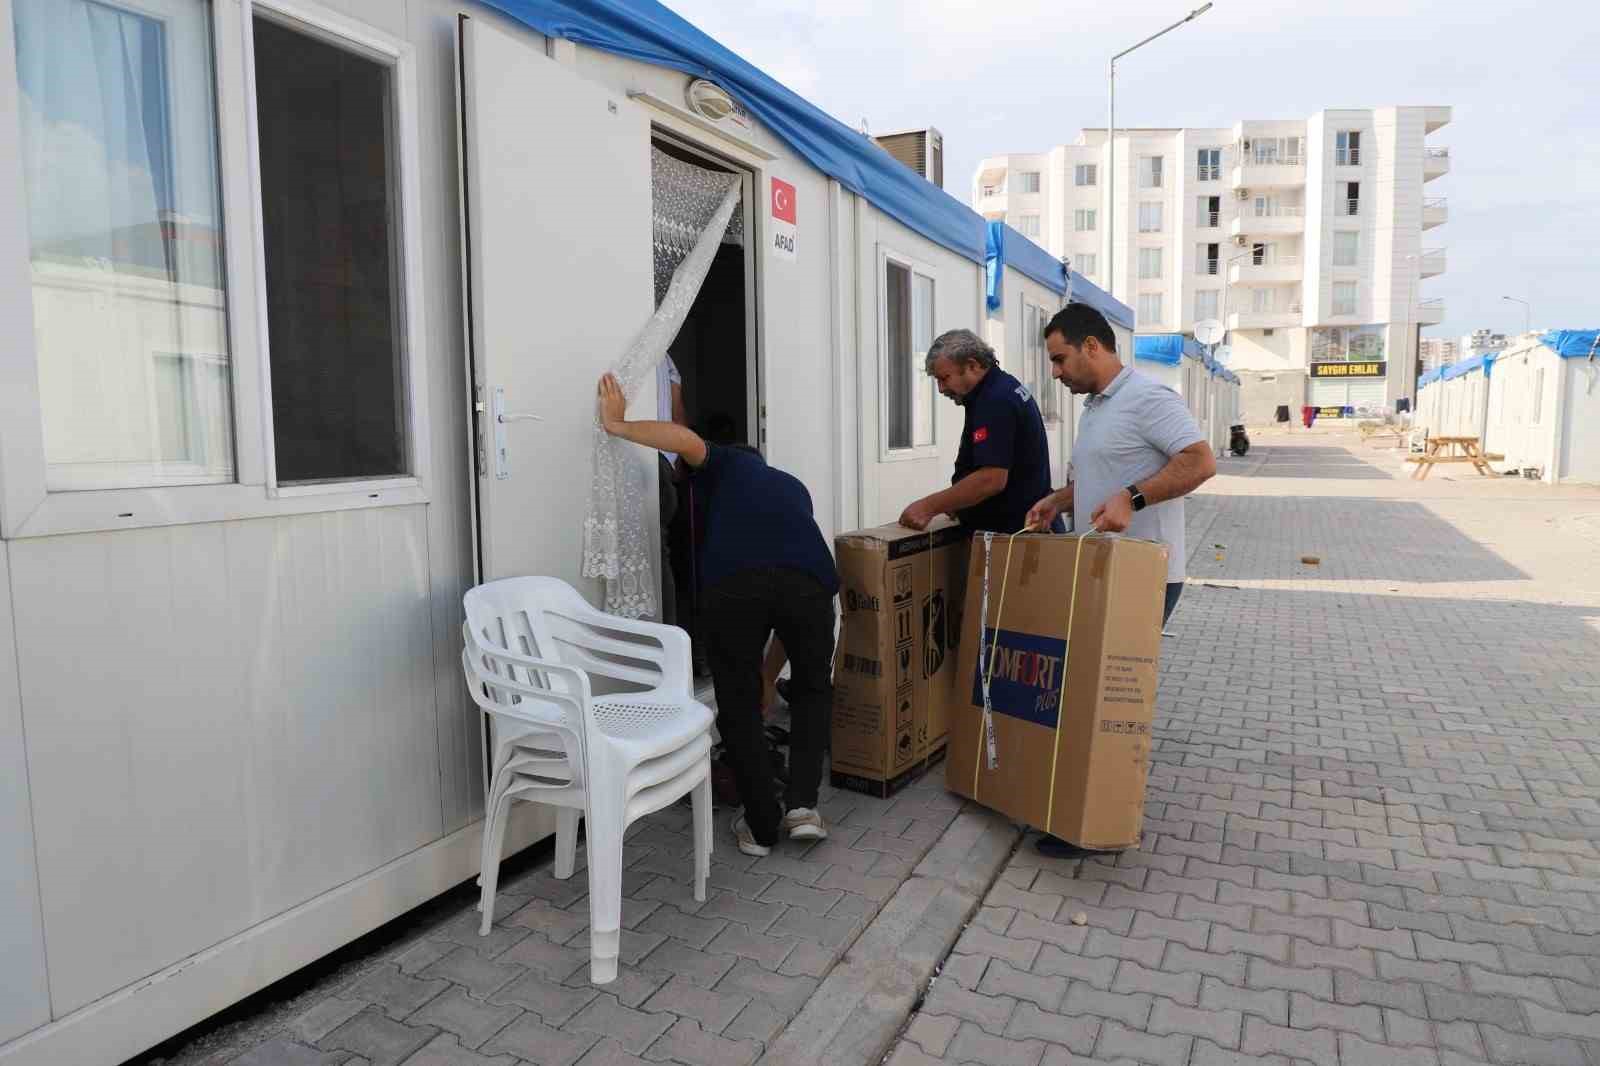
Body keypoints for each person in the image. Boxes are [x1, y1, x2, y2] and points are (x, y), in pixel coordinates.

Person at [597, 373, 836, 857]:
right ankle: (803, 809)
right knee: (812, 692)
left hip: (737, 585)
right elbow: (786, 607)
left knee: (739, 701)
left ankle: (762, 825)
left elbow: (684, 439)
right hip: (810, 584)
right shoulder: (789, 485)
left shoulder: (723, 464)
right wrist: (773, 676)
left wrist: (617, 425)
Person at [1024, 303, 1216, 856]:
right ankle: (1080, 810)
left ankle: (1095, 825)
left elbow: (1200, 462)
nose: (1055, 372)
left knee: (1105, 703)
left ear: (1092, 346)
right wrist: (1060, 499)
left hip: (1141, 574)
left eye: (1060, 359)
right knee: (1083, 694)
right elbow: (1104, 475)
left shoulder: (1148, 398)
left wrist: (1133, 499)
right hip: (1101, 570)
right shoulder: (1098, 407)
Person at [899, 329, 1060, 535]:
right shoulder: (1001, 387)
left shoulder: (995, 400)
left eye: (944, 378)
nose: (941, 388)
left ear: (972, 366)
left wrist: (928, 507)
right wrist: (959, 502)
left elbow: (991, 479)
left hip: (1013, 538)